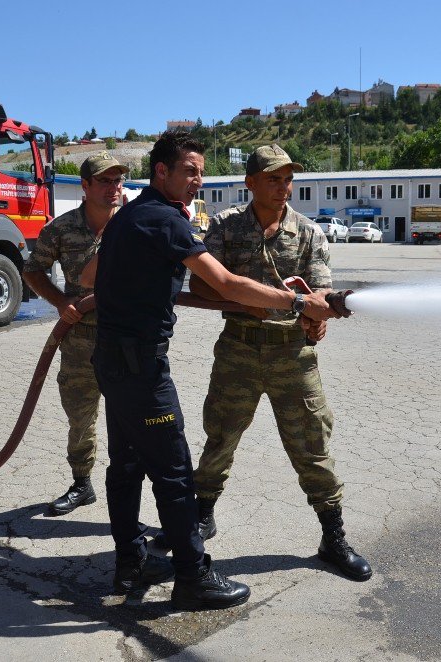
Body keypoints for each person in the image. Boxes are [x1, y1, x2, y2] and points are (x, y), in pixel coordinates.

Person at [80, 130, 337, 609]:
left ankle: (129, 562)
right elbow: (225, 283)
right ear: (162, 172)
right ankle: (193, 578)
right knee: (176, 475)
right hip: (143, 369)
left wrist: (144, 290)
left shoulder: (128, 217)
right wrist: (297, 300)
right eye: (190, 171)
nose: (198, 180)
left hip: (112, 363)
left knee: (126, 465)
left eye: (200, 171)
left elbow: (88, 277)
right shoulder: (168, 222)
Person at [184, 144, 371, 581]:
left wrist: (319, 314)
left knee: (312, 444)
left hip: (293, 355)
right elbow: (203, 286)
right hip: (238, 349)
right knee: (221, 436)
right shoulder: (227, 228)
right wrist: (244, 298)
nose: (283, 187)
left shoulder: (308, 233)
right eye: (273, 178)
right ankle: (202, 515)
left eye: (288, 178)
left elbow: (322, 292)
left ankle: (333, 536)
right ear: (249, 182)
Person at [22, 152, 129, 515]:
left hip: (125, 341)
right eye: (104, 181)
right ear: (84, 186)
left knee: (129, 417)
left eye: (117, 181)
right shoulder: (61, 228)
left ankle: (128, 487)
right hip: (80, 341)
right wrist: (59, 301)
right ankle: (82, 484)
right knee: (81, 417)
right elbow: (32, 271)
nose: (113, 188)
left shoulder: (132, 225)